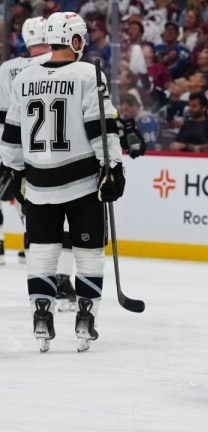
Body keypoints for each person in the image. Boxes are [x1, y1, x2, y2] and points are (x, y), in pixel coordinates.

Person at [0, 12, 125, 353]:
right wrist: (113, 165)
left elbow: (12, 130)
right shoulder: (88, 73)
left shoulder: (24, 77)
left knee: (41, 252)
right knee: (89, 253)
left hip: (37, 181)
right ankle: (85, 318)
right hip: (82, 180)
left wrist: (9, 168)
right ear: (73, 39)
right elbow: (99, 125)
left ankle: (42, 316)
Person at [0, 16, 52, 267]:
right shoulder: (63, 64)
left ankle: (0, 242)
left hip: (11, 140)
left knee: (14, 191)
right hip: (48, 144)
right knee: (38, 197)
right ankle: (31, 241)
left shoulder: (7, 68)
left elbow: (2, 113)